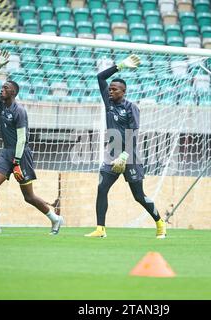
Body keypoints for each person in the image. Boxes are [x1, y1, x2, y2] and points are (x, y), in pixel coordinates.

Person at [84, 54, 166, 238]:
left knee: (138, 196)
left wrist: (125, 156)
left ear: (123, 91)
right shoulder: (109, 103)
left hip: (129, 156)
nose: (110, 92)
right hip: (112, 153)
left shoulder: (131, 108)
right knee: (102, 188)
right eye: (110, 89)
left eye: (114, 89)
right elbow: (100, 77)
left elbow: (134, 133)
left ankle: (160, 223)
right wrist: (120, 66)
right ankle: (100, 229)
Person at [0, 50, 63, 235]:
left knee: (28, 196)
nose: (1, 88)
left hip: (21, 155)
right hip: (6, 153)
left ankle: (55, 219)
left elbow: (22, 138)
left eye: (5, 87)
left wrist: (17, 161)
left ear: (13, 92)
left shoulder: (20, 111)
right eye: (1, 87)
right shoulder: (1, 105)